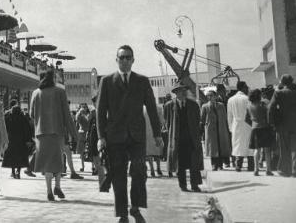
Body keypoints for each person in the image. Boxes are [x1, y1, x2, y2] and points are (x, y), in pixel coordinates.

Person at [97, 45, 162, 222]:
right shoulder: (107, 81)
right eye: (122, 57)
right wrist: (101, 137)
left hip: (137, 137)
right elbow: (100, 111)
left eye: (128, 57)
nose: (125, 60)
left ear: (133, 60)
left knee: (139, 171)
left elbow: (151, 108)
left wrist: (157, 134)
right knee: (118, 176)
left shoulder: (142, 81)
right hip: (115, 137)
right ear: (116, 60)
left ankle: (135, 207)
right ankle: (122, 214)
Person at [31, 68, 77, 201]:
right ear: (53, 79)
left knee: (46, 163)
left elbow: (31, 114)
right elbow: (67, 115)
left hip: (41, 132)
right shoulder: (60, 91)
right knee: (57, 159)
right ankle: (57, 186)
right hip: (57, 132)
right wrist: (74, 133)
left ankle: (49, 190)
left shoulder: (36, 93)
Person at [164, 84, 203, 192]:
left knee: (193, 163)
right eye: (181, 91)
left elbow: (197, 120)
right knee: (179, 164)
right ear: (176, 93)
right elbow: (167, 123)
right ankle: (183, 185)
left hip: (191, 139)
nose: (184, 92)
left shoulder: (193, 105)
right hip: (178, 140)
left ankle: (194, 185)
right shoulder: (169, 106)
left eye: (184, 90)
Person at [268, 74, 296, 177]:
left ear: (282, 82)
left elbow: (271, 108)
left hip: (283, 124)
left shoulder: (278, 93)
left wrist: (273, 123)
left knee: (284, 148)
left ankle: (285, 170)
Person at [245, 88, 274, 176]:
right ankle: (268, 170)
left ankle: (256, 169)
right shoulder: (263, 105)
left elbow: (246, 119)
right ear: (258, 95)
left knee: (257, 150)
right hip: (264, 127)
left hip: (255, 128)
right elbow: (268, 115)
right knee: (267, 150)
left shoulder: (249, 106)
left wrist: (254, 124)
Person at [200, 90, 231, 171]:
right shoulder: (205, 106)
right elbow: (202, 119)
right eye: (208, 96)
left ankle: (220, 165)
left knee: (221, 147)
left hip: (221, 128)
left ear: (215, 96)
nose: (209, 97)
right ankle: (214, 165)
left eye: (211, 95)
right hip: (211, 130)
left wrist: (226, 128)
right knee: (212, 148)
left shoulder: (221, 105)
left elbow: (225, 117)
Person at [2, 100, 32, 179]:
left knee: (12, 157)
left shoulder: (8, 117)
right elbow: (27, 129)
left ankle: (12, 172)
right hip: (21, 141)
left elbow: (4, 128)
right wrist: (28, 139)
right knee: (20, 157)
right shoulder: (23, 117)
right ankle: (18, 171)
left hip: (11, 140)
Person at [227, 82, 254, 172]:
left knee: (238, 145)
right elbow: (251, 112)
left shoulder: (231, 100)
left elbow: (229, 115)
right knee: (249, 144)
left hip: (236, 124)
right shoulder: (247, 99)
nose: (247, 89)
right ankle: (251, 166)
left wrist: (230, 127)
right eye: (246, 87)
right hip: (247, 124)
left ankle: (238, 165)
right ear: (242, 88)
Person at [75, 103, 91, 172]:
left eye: (85, 107)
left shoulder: (90, 114)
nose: (84, 108)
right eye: (82, 107)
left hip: (89, 134)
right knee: (81, 152)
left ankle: (93, 167)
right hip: (82, 134)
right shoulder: (80, 116)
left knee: (89, 151)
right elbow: (77, 120)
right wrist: (79, 113)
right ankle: (82, 166)